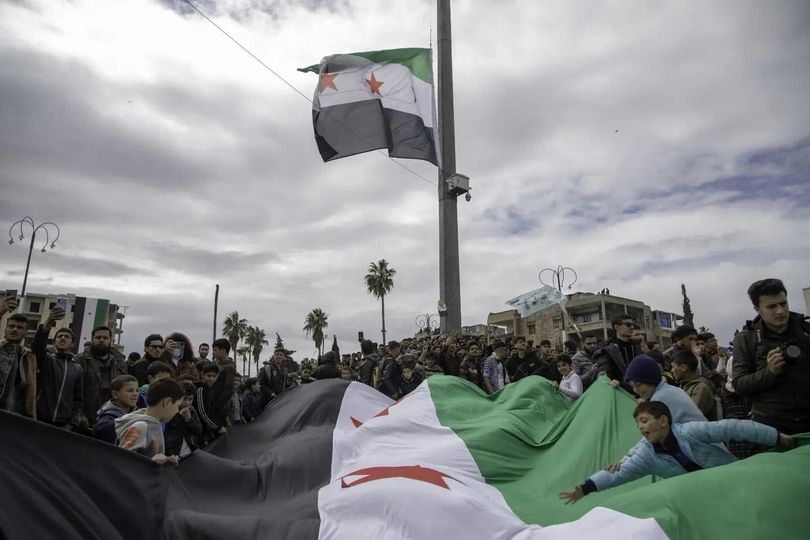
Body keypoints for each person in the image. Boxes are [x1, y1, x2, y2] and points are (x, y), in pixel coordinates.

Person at [559, 401, 794, 503]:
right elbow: (617, 475)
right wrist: (585, 488)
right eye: (637, 423)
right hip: (702, 499)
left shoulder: (690, 432)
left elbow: (733, 427)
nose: (640, 427)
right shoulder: (646, 455)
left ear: (663, 421)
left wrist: (775, 437)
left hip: (734, 482)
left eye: (644, 420)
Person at [732, 278, 810, 435]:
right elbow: (739, 384)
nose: (780, 311)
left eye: (783, 303)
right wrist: (770, 372)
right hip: (771, 423)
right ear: (757, 309)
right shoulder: (747, 339)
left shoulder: (806, 331)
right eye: (772, 306)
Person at [32, 307, 86, 430]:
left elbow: (78, 400)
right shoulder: (47, 359)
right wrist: (48, 323)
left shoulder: (78, 369)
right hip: (40, 418)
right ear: (54, 342)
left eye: (67, 336)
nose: (62, 338)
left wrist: (72, 423)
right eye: (59, 336)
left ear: (72, 344)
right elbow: (37, 347)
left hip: (63, 423)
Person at [116, 379, 184, 464]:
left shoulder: (157, 423)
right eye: (177, 406)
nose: (177, 411)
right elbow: (122, 463)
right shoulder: (140, 427)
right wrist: (151, 462)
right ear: (167, 402)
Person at [75, 326, 127, 426]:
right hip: (86, 417)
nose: (101, 340)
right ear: (92, 339)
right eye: (98, 337)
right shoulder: (80, 360)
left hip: (112, 416)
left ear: (110, 340)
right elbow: (72, 391)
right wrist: (78, 414)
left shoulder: (120, 362)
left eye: (105, 338)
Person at [582, 316, 641, 391]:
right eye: (628, 325)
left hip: (640, 390)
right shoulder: (606, 349)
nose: (632, 327)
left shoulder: (636, 346)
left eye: (633, 325)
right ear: (616, 327)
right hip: (618, 391)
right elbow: (606, 377)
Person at [0, 299, 37, 417]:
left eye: (20, 327)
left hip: (15, 416)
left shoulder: (28, 358)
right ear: (5, 329)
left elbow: (30, 392)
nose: (15, 329)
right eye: (11, 326)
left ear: (26, 333)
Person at [195, 363, 236, 445]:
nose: (211, 379)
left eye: (214, 376)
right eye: (209, 376)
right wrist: (218, 428)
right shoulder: (200, 390)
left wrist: (224, 422)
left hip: (216, 430)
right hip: (206, 433)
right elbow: (203, 413)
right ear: (203, 375)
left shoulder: (213, 390)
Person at [671, 350, 718, 421]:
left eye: (673, 367)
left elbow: (691, 416)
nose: (672, 370)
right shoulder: (685, 384)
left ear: (683, 367)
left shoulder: (701, 388)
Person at [92, 374, 139, 444]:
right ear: (115, 394)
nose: (135, 394)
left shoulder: (140, 413)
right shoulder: (107, 421)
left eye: (137, 390)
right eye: (130, 390)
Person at [163, 380, 202, 458]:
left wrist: (189, 419)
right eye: (184, 399)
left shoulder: (191, 409)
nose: (187, 403)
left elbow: (198, 431)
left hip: (190, 451)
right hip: (174, 454)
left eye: (190, 399)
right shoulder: (169, 410)